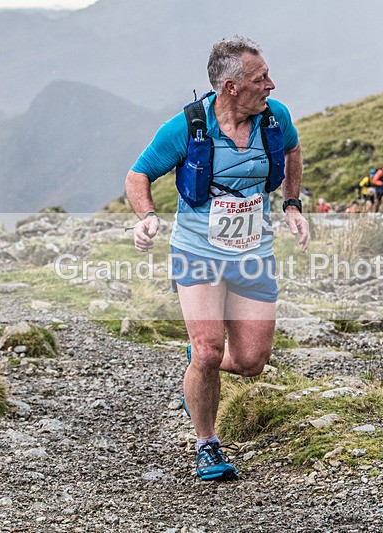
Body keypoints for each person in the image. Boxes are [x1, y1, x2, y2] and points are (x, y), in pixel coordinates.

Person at [125, 36, 309, 481]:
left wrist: (291, 204)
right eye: (260, 78)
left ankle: (200, 358)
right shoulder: (186, 128)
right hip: (197, 251)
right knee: (210, 352)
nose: (271, 84)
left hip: (252, 254)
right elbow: (138, 175)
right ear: (230, 87)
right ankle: (206, 444)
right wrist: (146, 217)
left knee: (251, 363)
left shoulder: (274, 117)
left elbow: (292, 152)